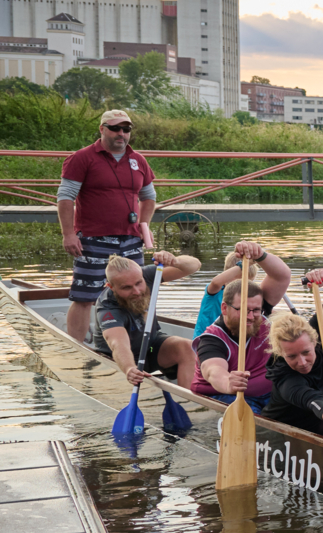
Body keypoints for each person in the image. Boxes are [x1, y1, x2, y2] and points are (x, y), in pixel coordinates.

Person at [57, 109, 154, 341]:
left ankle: (135, 345)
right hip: (92, 238)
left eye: (126, 129)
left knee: (136, 293)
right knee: (84, 295)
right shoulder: (82, 158)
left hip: (130, 239)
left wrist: (144, 227)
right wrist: (68, 234)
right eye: (115, 128)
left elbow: (148, 197)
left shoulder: (138, 160)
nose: (121, 133)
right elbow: (65, 197)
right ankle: (77, 349)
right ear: (102, 129)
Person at [85, 251, 203, 389]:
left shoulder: (148, 274)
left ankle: (188, 402)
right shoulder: (107, 307)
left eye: (138, 283)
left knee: (188, 348)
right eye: (127, 287)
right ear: (111, 287)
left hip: (150, 347)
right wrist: (129, 368)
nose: (136, 291)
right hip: (117, 361)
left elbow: (195, 265)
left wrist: (175, 261)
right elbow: (118, 344)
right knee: (126, 361)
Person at [262, 313, 323, 437]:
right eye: (292, 356)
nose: (302, 363)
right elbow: (310, 398)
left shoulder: (313, 337)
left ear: (314, 341)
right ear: (280, 352)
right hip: (280, 435)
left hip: (314, 424)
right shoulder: (286, 380)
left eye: (306, 352)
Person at [191, 279, 274, 409]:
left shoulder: (265, 323)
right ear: (224, 308)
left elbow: (281, 276)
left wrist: (260, 257)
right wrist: (228, 383)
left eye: (256, 310)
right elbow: (213, 371)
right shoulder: (211, 340)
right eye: (244, 310)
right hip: (226, 396)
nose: (251, 316)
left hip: (268, 394)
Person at [196, 241, 291, 333]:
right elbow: (216, 282)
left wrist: (283, 317)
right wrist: (246, 264)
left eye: (249, 282)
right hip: (204, 342)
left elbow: (261, 310)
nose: (243, 286)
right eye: (239, 281)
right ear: (227, 276)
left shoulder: (249, 297)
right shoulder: (214, 292)